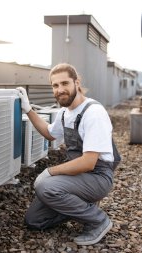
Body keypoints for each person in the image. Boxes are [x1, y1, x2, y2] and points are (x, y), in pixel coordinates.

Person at [16, 63, 120, 246]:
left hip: (97, 176)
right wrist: (28, 109)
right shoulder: (65, 112)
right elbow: (49, 133)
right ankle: (82, 205)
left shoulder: (93, 113)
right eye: (55, 86)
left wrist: (50, 171)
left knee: (46, 187)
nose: (60, 90)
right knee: (34, 220)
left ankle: (98, 220)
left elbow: (88, 162)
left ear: (76, 83)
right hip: (78, 176)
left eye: (65, 83)